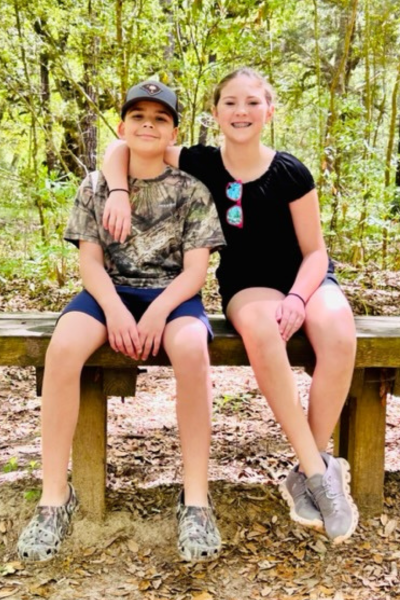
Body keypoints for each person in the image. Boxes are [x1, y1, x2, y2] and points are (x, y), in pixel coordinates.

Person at [101, 68, 359, 544]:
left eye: (253, 103)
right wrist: (117, 190)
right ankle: (318, 471)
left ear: (269, 110)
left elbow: (316, 252)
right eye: (231, 103)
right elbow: (121, 147)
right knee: (263, 327)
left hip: (304, 278)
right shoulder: (199, 161)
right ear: (215, 112)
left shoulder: (290, 171)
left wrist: (301, 298)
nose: (242, 112)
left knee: (340, 329)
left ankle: (311, 469)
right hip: (249, 284)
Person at [17, 80, 226, 563]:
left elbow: (196, 270)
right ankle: (54, 498)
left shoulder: (192, 190)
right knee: (64, 348)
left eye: (159, 118)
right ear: (122, 125)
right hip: (107, 292)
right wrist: (114, 309)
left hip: (172, 296)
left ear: (174, 131)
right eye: (138, 116)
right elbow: (89, 263)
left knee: (193, 350)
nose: (148, 125)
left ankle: (195, 499)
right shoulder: (95, 186)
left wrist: (156, 312)